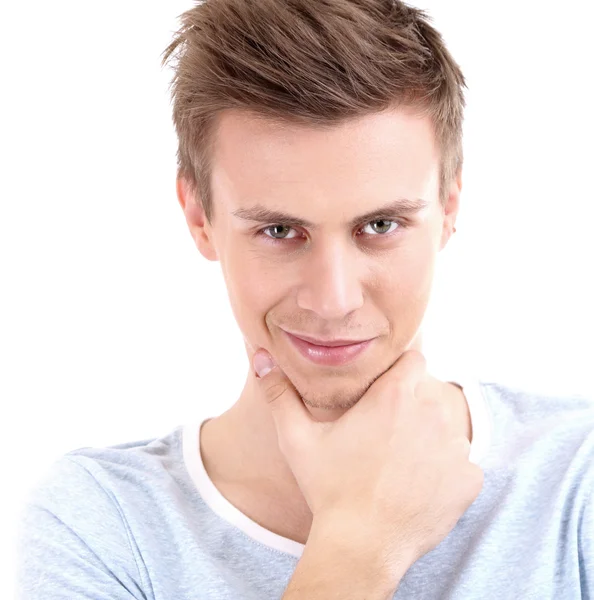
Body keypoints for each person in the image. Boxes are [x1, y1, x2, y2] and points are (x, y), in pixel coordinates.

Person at [15, 1, 594, 598]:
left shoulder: (576, 478)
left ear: (448, 207)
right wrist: (360, 547)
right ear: (200, 218)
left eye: (380, 226)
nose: (333, 301)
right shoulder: (103, 525)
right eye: (279, 231)